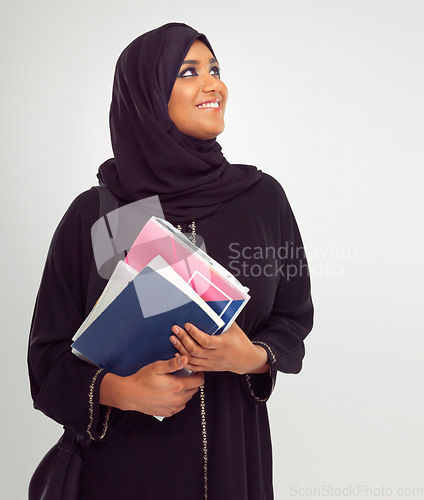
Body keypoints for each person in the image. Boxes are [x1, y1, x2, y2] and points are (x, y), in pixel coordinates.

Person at [28, 22, 314, 500]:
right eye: (188, 71)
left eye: (215, 69)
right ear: (146, 95)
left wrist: (253, 358)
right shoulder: (100, 215)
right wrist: (119, 391)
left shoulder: (261, 200)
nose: (214, 84)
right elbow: (47, 361)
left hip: (234, 466)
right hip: (123, 473)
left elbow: (293, 316)